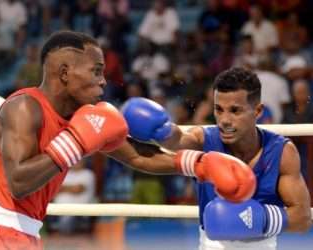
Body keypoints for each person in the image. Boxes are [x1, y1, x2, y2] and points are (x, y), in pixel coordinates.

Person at [0, 31, 255, 250]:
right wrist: (75, 142)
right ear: (64, 73)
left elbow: (138, 157)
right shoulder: (24, 107)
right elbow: (19, 181)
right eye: (96, 71)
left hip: (24, 236)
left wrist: (199, 164)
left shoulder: (85, 118)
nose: (104, 80)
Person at [121, 67, 312, 250]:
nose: (224, 120)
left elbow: (302, 218)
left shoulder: (281, 151)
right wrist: (161, 130)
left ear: (258, 111)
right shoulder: (205, 139)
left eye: (235, 110)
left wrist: (260, 219)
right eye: (219, 110)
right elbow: (177, 140)